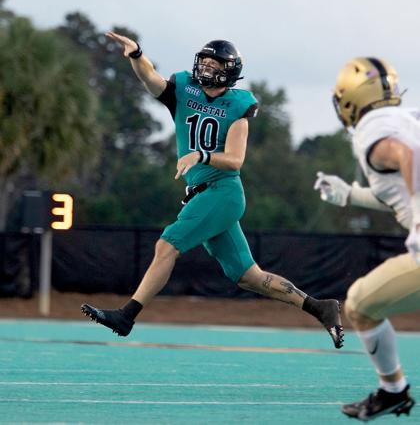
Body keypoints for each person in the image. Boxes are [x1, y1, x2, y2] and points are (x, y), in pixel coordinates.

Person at [81, 32, 344, 349]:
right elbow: (151, 79)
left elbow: (235, 161)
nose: (205, 68)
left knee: (167, 245)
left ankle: (126, 316)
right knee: (249, 276)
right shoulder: (184, 90)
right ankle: (321, 307)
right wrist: (137, 55)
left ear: (229, 70)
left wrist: (201, 155)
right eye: (203, 62)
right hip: (203, 193)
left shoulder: (238, 106)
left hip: (222, 192)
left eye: (213, 63)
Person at [314, 56, 418, 421]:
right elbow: (398, 191)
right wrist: (350, 195)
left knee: (359, 303)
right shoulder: (407, 118)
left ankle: (393, 390)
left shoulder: (372, 127)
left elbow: (411, 156)